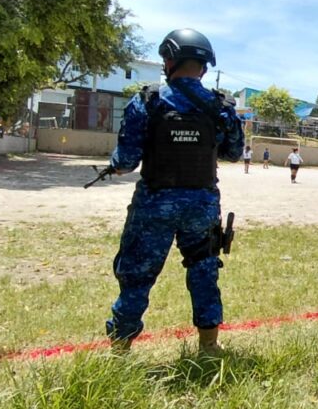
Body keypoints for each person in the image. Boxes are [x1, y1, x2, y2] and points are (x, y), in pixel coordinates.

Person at [104, 28, 242, 354]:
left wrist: (113, 165)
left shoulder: (147, 101)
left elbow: (126, 160)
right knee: (204, 273)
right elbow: (233, 151)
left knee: (137, 276)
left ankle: (120, 348)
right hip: (201, 205)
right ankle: (209, 346)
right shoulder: (220, 107)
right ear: (204, 67)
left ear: (168, 60)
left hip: (154, 204)